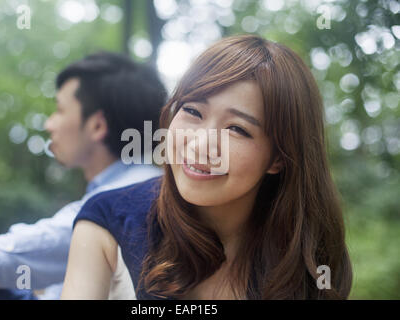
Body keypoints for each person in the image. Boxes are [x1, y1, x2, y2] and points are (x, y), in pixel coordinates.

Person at [61, 35, 353, 300]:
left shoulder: (311, 256)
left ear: (278, 158)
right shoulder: (107, 222)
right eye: (192, 111)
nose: (200, 144)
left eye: (237, 129)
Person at [0, 51, 167, 299]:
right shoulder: (133, 184)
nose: (49, 124)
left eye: (60, 110)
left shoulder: (129, 196)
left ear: (97, 125)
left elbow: (12, 256)